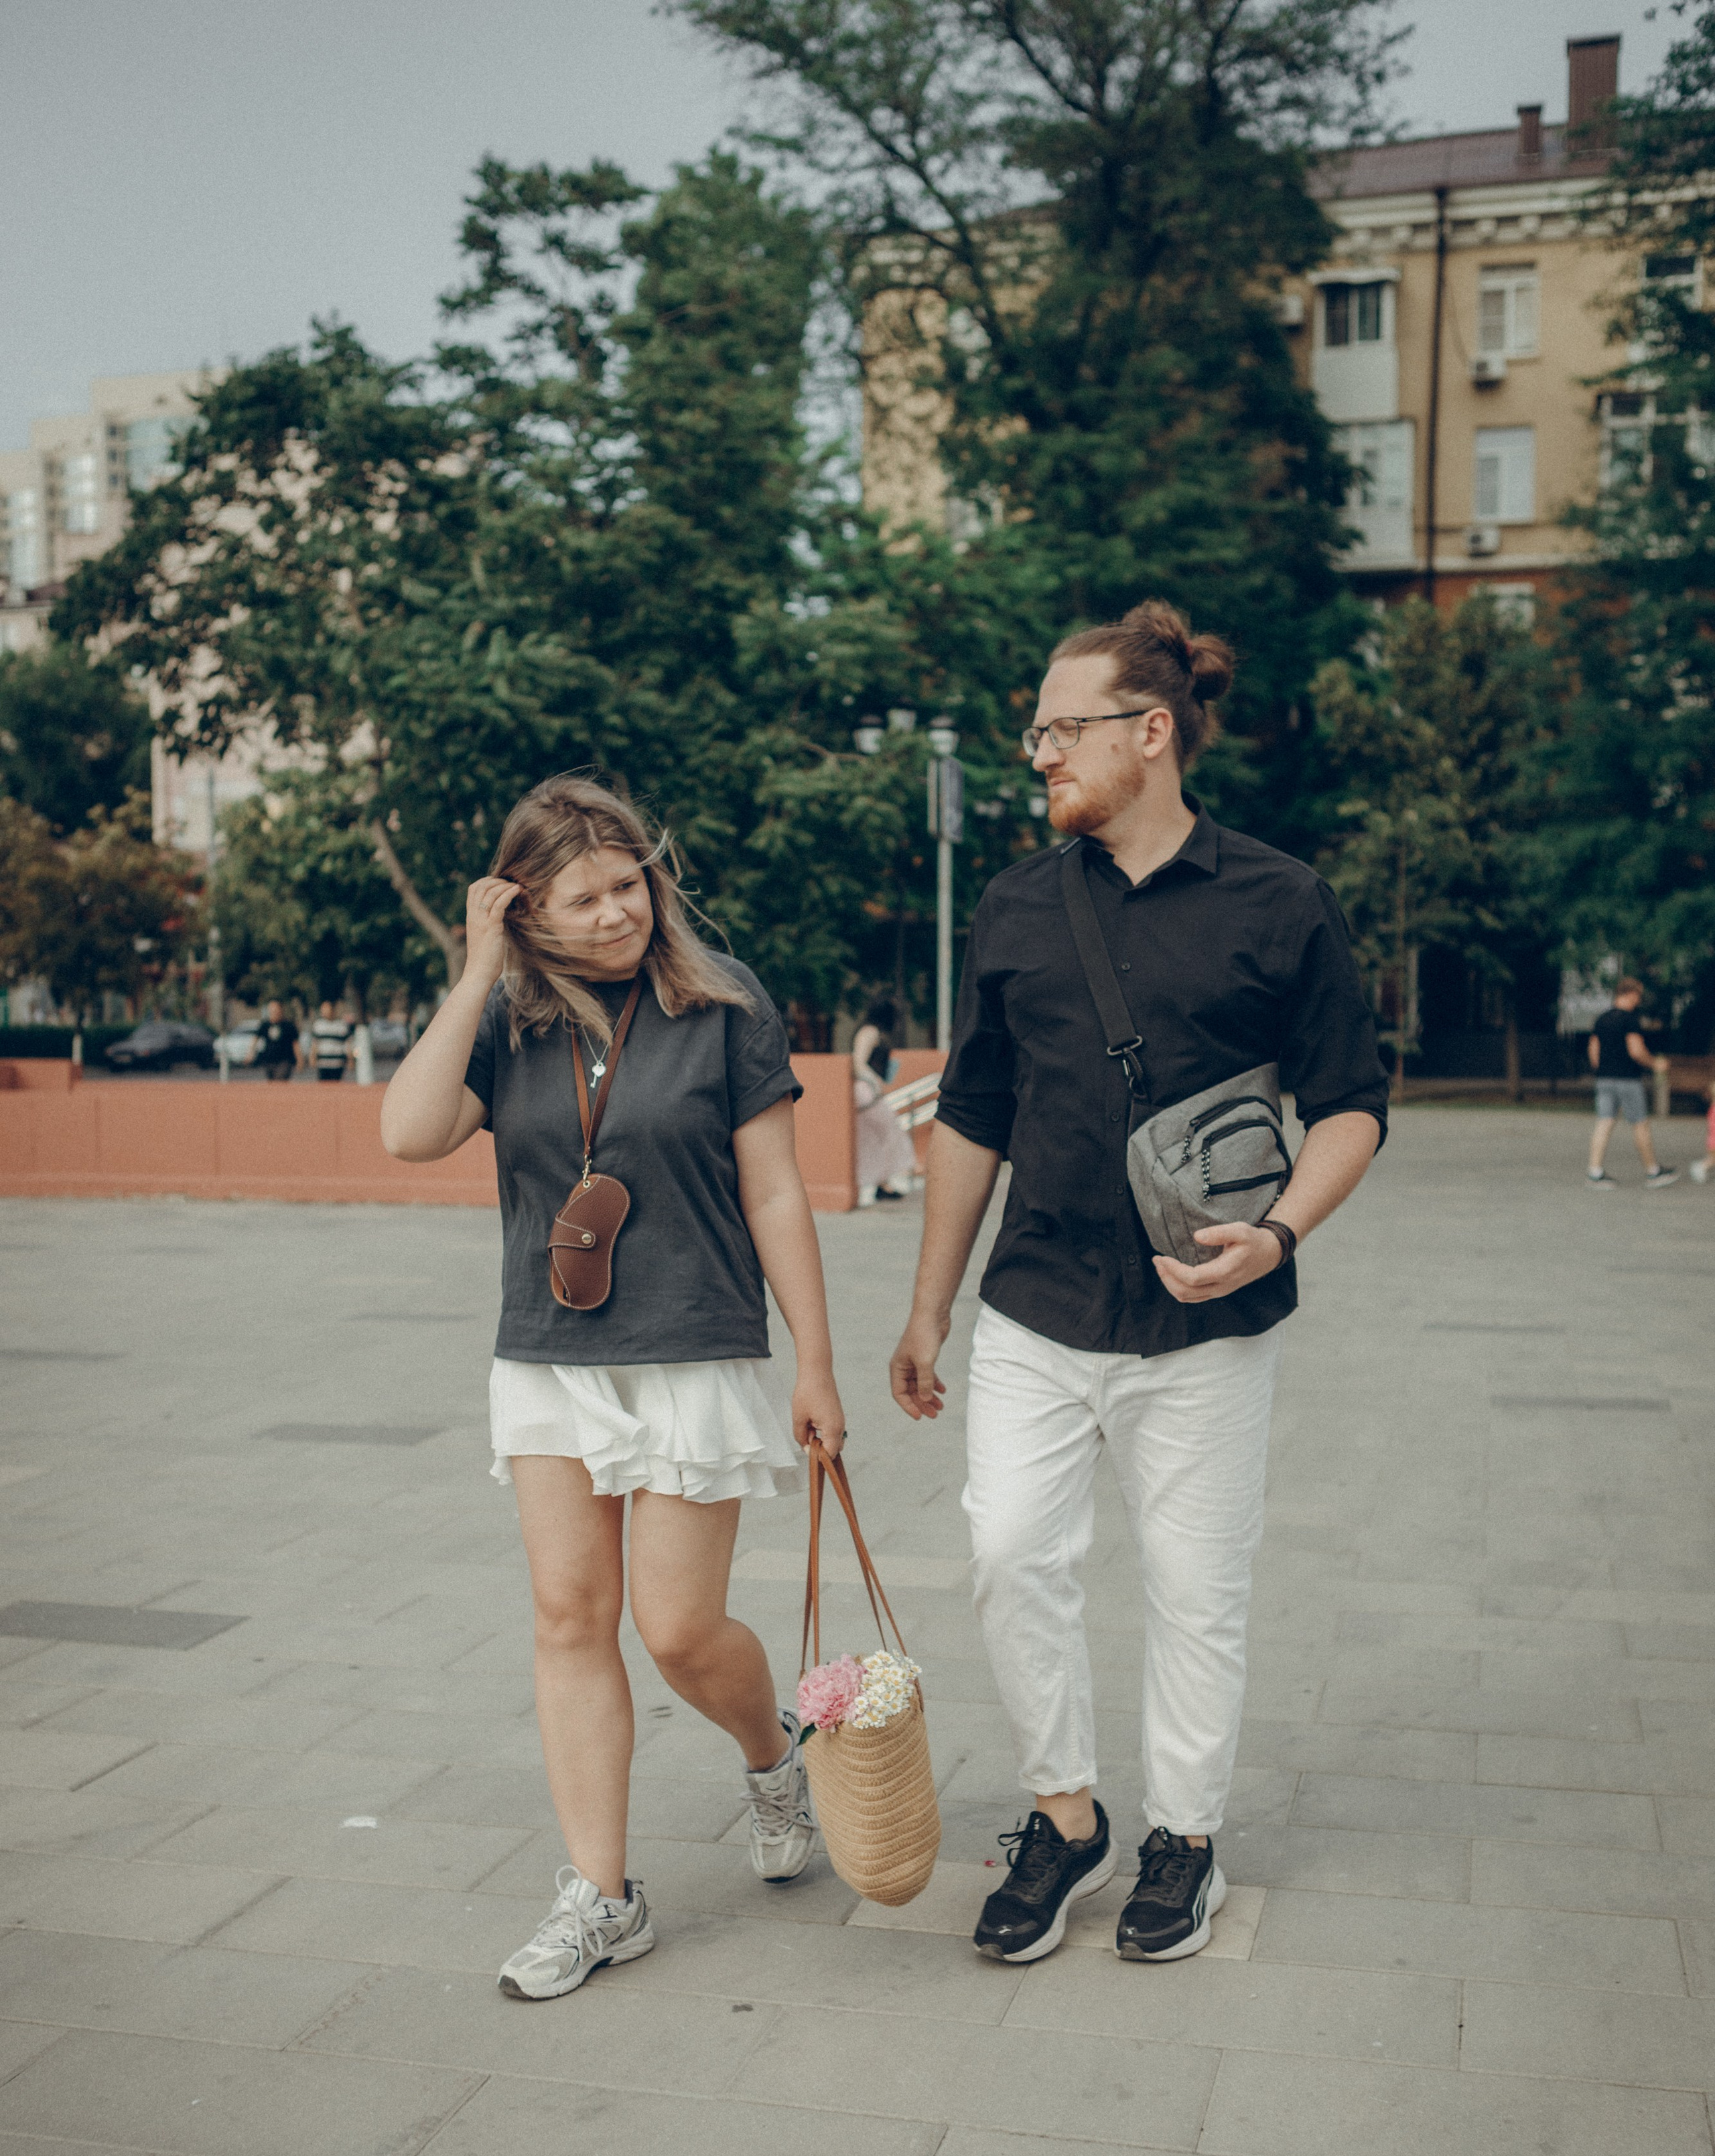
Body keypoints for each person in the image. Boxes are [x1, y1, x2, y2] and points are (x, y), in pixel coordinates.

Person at [889, 600, 1387, 1968]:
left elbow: (1350, 1103)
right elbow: (971, 1119)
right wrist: (928, 1304)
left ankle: (1183, 1838)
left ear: (1147, 733)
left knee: (1194, 1588)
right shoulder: (1010, 907)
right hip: (1035, 1306)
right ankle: (1062, 1815)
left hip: (1207, 1321)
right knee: (1007, 1556)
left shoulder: (1276, 900)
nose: (1035, 754)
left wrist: (1277, 1234)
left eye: (1058, 730)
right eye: (1032, 732)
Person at [381, 773, 845, 2001]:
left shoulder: (723, 1003)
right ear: (526, 910)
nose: (614, 914)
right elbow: (409, 1132)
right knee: (568, 1619)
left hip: (695, 1345)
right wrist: (476, 969)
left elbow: (776, 1192)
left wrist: (816, 1360)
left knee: (680, 1630)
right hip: (549, 1354)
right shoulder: (509, 1015)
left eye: (628, 884)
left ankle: (771, 1754)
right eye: (581, 899)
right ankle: (602, 1892)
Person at [1586, 980, 1677, 1187]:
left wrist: (1603, 1070)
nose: (1639, 1000)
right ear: (1630, 994)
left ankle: (1594, 1172)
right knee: (1640, 1125)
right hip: (1628, 1080)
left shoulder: (1602, 1019)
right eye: (1639, 995)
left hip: (1604, 1079)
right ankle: (1653, 1172)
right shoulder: (1630, 1020)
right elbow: (1636, 1050)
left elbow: (1593, 1053)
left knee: (1604, 1122)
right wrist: (1655, 1064)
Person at [853, 998, 916, 1207]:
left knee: (878, 1137)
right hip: (866, 1092)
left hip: (867, 1092)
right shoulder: (870, 1032)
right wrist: (876, 1082)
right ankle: (880, 1184)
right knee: (889, 1132)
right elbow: (858, 1063)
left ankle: (882, 1183)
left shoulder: (872, 1032)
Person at [310, 1001, 354, 1083]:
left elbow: (347, 1044)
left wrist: (350, 1059)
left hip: (338, 1063)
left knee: (336, 1087)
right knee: (323, 1088)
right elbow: (315, 1043)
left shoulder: (342, 1025)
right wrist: (313, 1057)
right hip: (323, 1063)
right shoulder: (318, 1025)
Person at [255, 1000, 299, 1083]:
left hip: (285, 1061)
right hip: (269, 1060)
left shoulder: (288, 1026)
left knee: (279, 1082)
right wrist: (250, 1053)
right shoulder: (265, 1025)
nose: (274, 1012)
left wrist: (299, 1059)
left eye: (276, 1010)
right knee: (272, 1084)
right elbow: (256, 1039)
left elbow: (295, 1043)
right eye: (272, 1010)